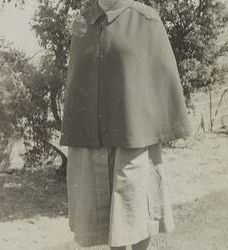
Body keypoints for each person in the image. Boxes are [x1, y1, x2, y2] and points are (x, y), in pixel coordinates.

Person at [59, 0, 193, 249]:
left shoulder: (147, 20)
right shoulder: (82, 22)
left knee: (136, 213)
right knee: (109, 223)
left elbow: (163, 77)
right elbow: (76, 76)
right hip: (93, 139)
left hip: (134, 137)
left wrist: (159, 125)